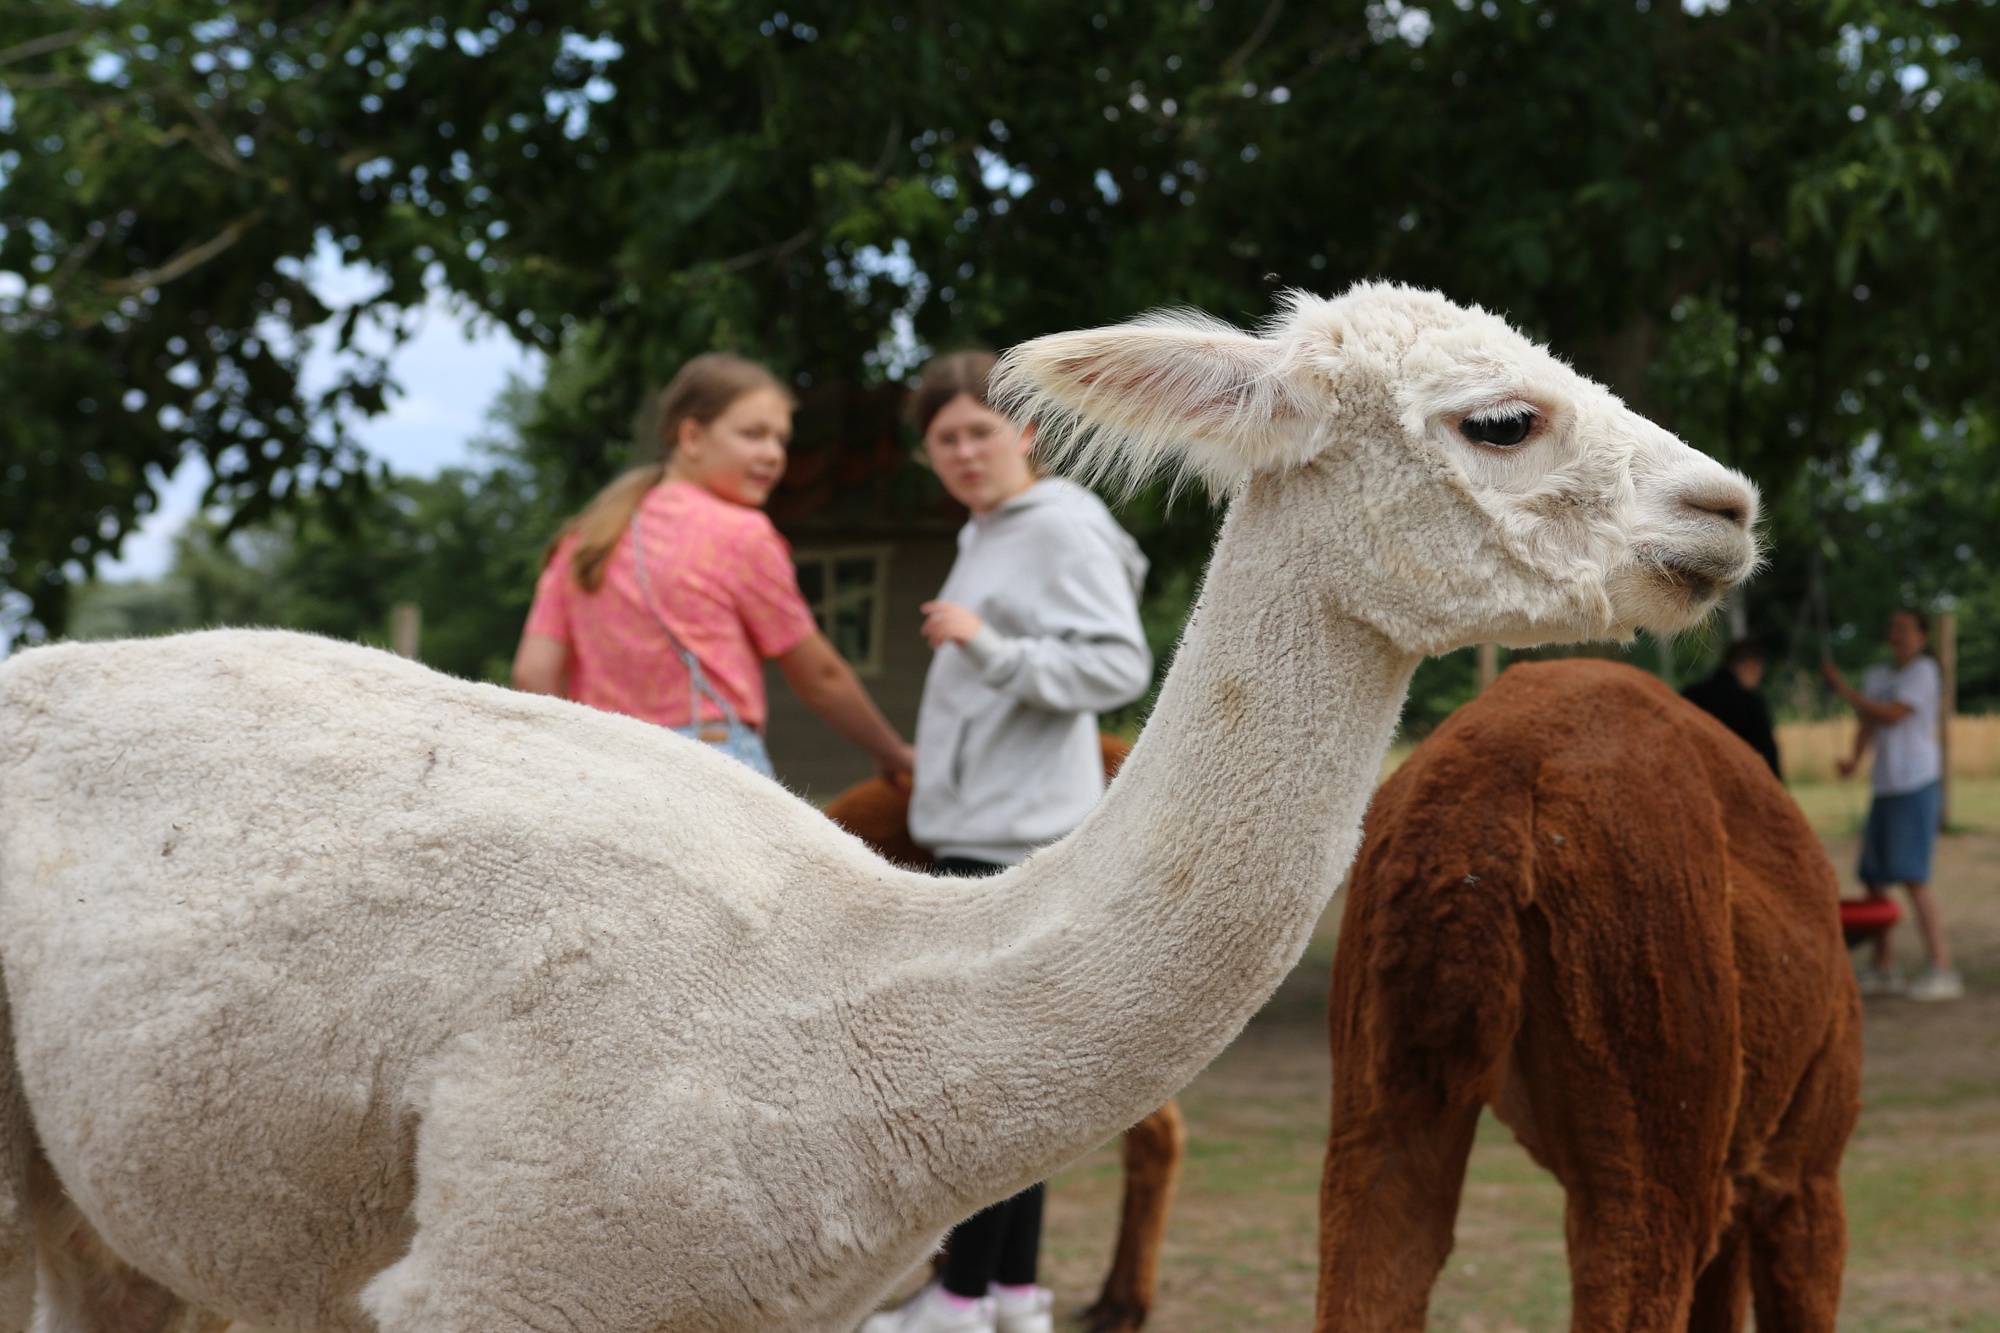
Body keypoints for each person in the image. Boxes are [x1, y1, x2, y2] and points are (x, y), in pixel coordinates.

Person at [860, 351, 1152, 1333]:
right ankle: (1011, 1296)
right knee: (1009, 1085)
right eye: (943, 440)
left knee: (980, 1088)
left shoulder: (1059, 524)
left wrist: (985, 643)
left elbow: (1117, 663)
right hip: (977, 829)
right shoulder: (989, 531)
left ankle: (956, 1295)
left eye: (979, 431)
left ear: (1024, 430)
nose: (962, 451)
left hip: (1015, 839)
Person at [513, 353, 913, 781]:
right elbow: (821, 677)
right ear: (691, 436)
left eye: (780, 439)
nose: (773, 455)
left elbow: (532, 672)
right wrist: (893, 753)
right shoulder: (740, 533)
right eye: (753, 434)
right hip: (710, 767)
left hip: (604, 769)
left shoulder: (584, 538)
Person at [1822, 608, 1961, 1000]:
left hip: (1915, 784)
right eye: (1892, 627)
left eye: (1903, 628)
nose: (1895, 634)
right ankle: (1885, 966)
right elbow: (1868, 723)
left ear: (1922, 636)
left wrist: (1842, 688)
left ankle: (1942, 968)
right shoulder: (1879, 677)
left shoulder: (1924, 672)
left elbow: (1893, 716)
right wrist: (1854, 760)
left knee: (1913, 877)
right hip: (1884, 787)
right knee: (1874, 876)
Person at [1681, 639, 1782, 777]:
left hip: (1696, 778)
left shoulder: (1690, 694)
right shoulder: (1750, 703)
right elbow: (1768, 753)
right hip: (1738, 780)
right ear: (1753, 665)